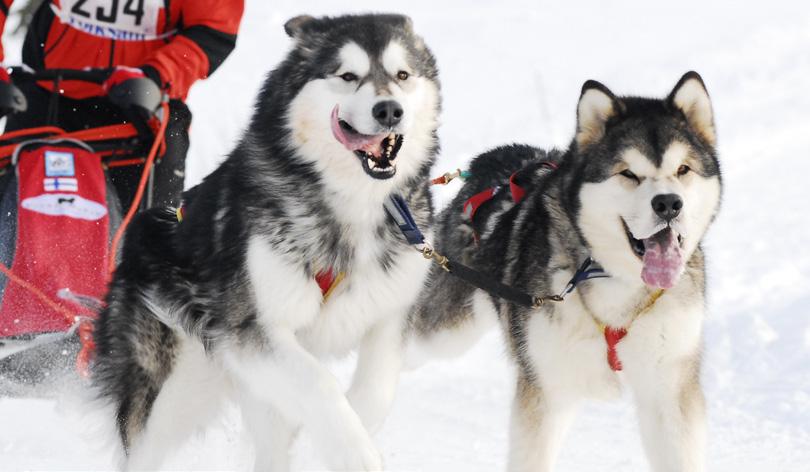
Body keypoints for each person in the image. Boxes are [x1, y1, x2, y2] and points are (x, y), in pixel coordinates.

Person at [0, 0, 244, 209]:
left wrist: (156, 76)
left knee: (150, 240)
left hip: (144, 105)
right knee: (12, 222)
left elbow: (214, 27)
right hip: (50, 90)